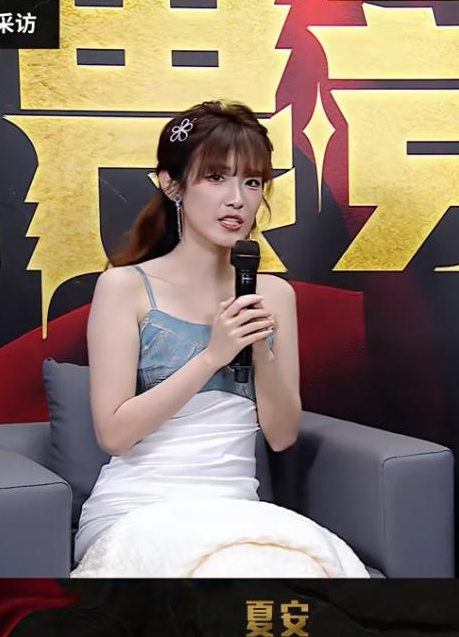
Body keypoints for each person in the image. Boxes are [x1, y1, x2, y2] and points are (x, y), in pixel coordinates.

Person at [72, 101, 367, 578]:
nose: (237, 200)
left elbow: (282, 434)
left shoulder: (274, 295)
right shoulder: (124, 287)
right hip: (139, 509)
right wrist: (213, 355)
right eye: (216, 178)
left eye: (252, 182)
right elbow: (115, 434)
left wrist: (260, 349)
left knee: (313, 571)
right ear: (172, 185)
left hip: (234, 509)